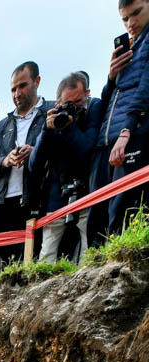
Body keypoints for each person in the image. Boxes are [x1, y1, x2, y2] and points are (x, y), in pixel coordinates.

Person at [0, 62, 52, 267]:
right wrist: (5, 160)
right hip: (0, 203)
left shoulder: (51, 111)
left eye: (22, 86)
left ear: (37, 82)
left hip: (34, 200)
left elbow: (61, 148)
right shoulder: (2, 125)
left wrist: (35, 151)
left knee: (26, 265)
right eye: (13, 89)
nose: (17, 93)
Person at [28, 73, 102, 262]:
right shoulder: (53, 118)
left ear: (87, 94)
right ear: (58, 103)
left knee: (89, 250)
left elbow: (87, 149)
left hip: (87, 188)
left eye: (78, 102)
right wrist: (46, 130)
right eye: (68, 104)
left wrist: (69, 127)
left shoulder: (93, 107)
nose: (73, 108)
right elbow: (34, 164)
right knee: (47, 252)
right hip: (57, 192)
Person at [91, 0, 149, 240]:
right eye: (125, 19)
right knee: (98, 220)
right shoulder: (131, 47)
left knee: (124, 215)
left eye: (136, 13)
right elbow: (107, 100)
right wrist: (111, 77)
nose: (130, 23)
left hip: (134, 135)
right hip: (107, 141)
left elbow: (145, 90)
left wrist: (126, 131)